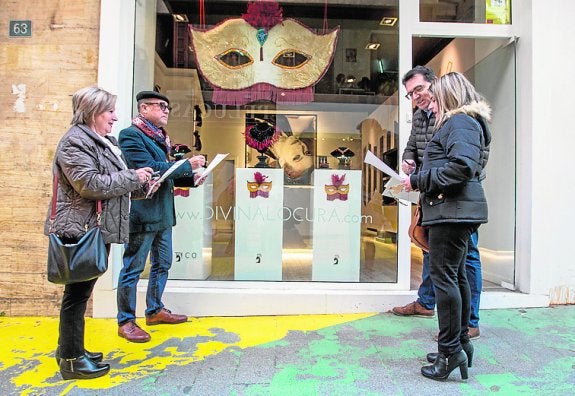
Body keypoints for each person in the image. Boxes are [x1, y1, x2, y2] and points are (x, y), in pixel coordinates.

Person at [44, 86, 155, 380]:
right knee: (76, 295)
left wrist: (142, 185)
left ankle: (72, 349)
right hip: (79, 230)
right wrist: (133, 176)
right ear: (92, 111)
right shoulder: (75, 143)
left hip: (93, 227)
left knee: (81, 292)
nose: (115, 117)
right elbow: (90, 185)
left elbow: (111, 186)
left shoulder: (99, 141)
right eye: (110, 111)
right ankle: (70, 359)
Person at [402, 72, 492, 380]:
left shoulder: (460, 122)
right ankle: (460, 344)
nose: (432, 103)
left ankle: (450, 352)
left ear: (450, 96)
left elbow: (461, 167)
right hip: (454, 210)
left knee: (445, 280)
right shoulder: (464, 122)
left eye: (436, 97)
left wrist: (416, 179)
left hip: (451, 211)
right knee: (455, 277)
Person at [117, 91, 206, 343]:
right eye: (161, 106)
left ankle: (154, 310)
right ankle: (125, 321)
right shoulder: (130, 135)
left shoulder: (160, 138)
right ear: (144, 109)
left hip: (163, 213)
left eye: (167, 107)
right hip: (143, 213)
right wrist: (188, 165)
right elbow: (150, 169)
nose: (166, 110)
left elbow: (167, 175)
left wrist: (192, 179)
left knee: (162, 264)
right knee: (133, 268)